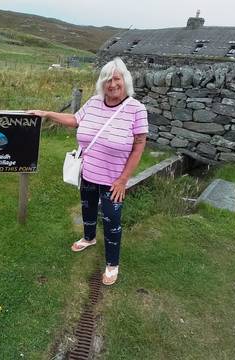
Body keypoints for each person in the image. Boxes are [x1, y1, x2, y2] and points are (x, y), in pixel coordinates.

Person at [29, 57, 148, 285]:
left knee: (112, 220)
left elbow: (139, 144)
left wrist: (123, 180)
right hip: (88, 173)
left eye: (116, 79)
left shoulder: (136, 109)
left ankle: (112, 264)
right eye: (107, 80)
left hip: (114, 180)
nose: (112, 84)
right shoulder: (94, 102)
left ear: (125, 80)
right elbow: (75, 119)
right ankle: (89, 237)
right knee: (88, 209)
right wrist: (47, 113)